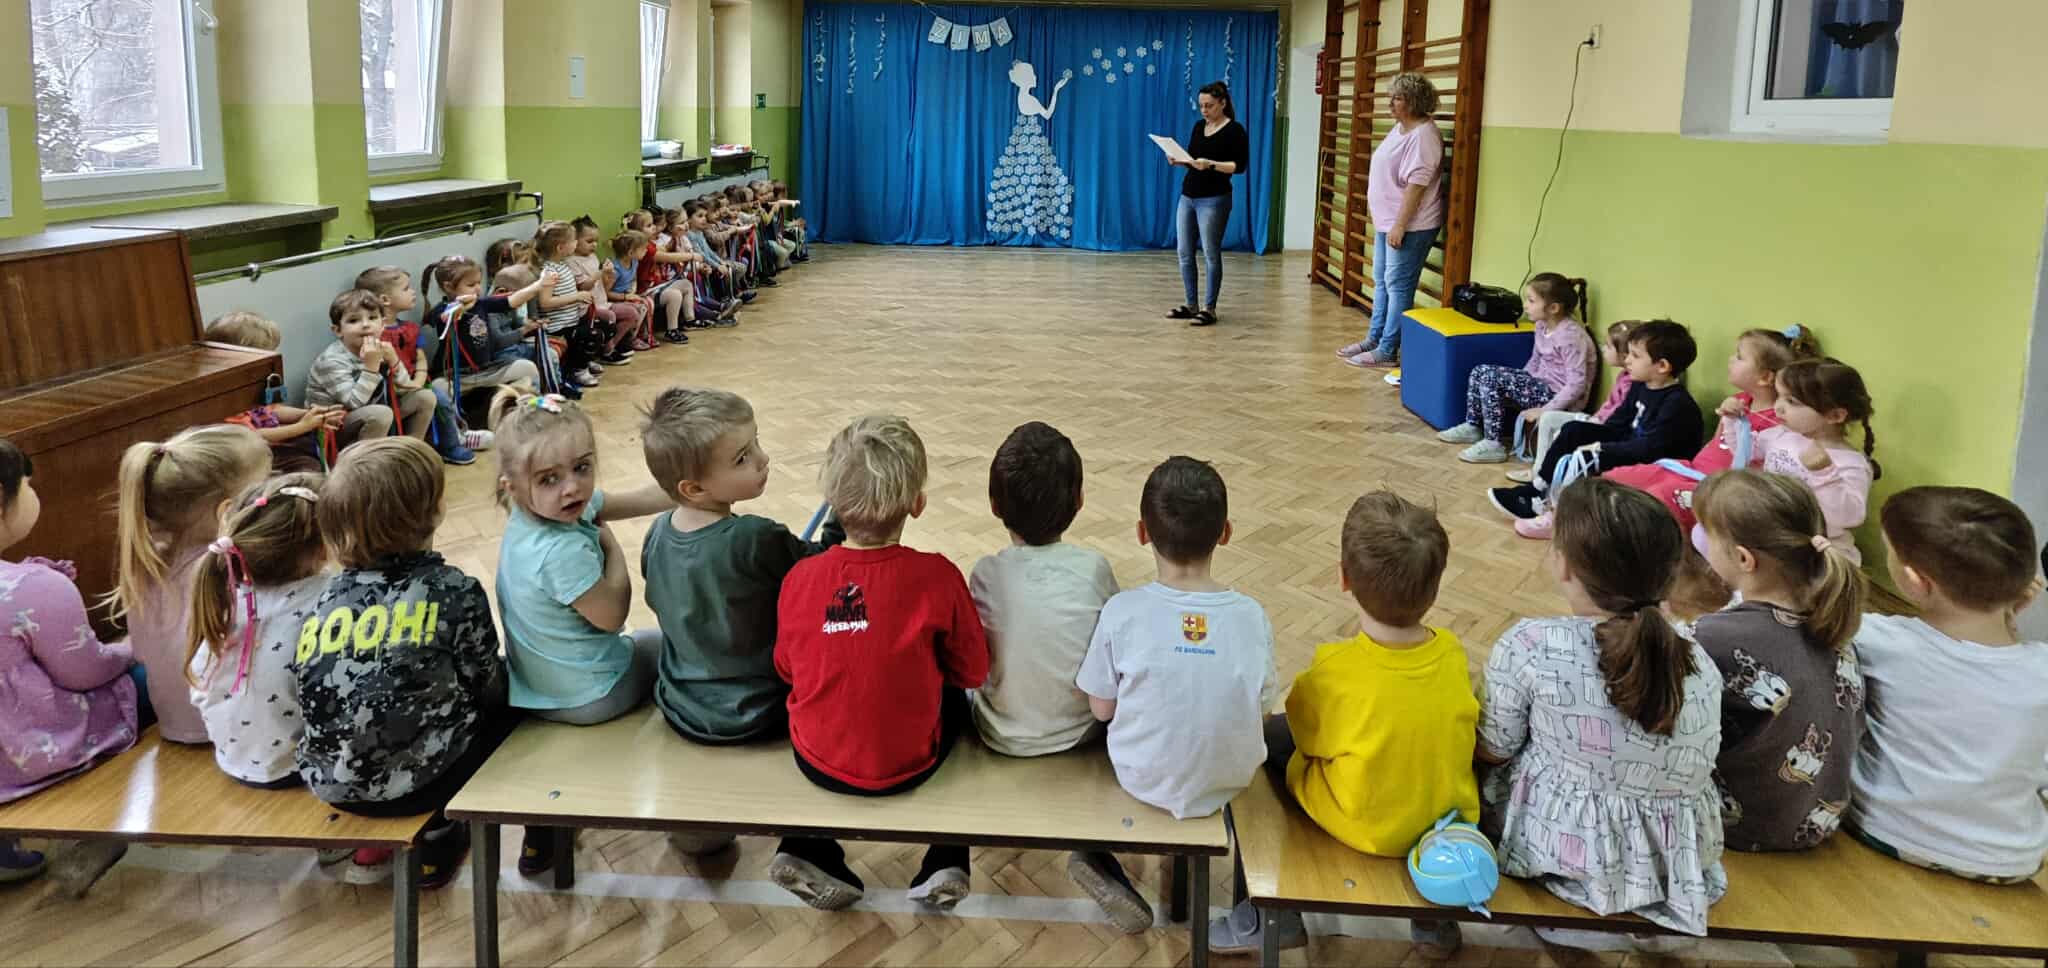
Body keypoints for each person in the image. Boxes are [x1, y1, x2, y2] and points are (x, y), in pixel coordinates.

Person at [1209, 490, 1475, 958]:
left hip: (1361, 825)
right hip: (1441, 828)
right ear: (1434, 590)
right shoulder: (1453, 653)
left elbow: (1305, 736)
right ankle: (1434, 916)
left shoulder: (1335, 668)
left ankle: (1271, 912)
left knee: (1258, 747)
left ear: (1343, 578)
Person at [1478, 478, 1725, 938]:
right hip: (1674, 863)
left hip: (1562, 850)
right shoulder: (1698, 658)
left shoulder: (1531, 643)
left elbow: (1494, 747)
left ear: (1564, 564)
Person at [768, 416, 989, 912]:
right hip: (911, 765)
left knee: (823, 696)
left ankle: (805, 845)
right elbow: (973, 672)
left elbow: (786, 669)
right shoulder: (938, 575)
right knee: (960, 703)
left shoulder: (800, 577)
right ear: (917, 503)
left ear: (832, 501)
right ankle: (947, 854)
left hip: (816, 761)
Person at [295, 437, 515, 889]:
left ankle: (385, 838)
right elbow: (487, 684)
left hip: (331, 784)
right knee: (517, 705)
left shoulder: (323, 595)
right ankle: (445, 832)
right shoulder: (453, 590)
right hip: (427, 785)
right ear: (434, 512)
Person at [638, 388, 839, 856]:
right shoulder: (754, 538)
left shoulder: (657, 533)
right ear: (694, 488)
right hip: (757, 711)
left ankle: (696, 829)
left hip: (682, 708)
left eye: (757, 443)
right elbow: (825, 565)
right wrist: (840, 509)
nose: (763, 460)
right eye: (743, 458)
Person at [966, 422, 1143, 932]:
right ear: (1080, 501)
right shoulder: (1092, 569)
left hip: (999, 734)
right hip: (1078, 733)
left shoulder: (985, 573)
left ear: (994, 506)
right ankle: (1095, 850)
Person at [488, 392, 672, 874]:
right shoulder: (559, 551)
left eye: (583, 467)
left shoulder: (536, 513)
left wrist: (685, 488)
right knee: (666, 645)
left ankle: (545, 823)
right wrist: (613, 548)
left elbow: (633, 500)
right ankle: (682, 766)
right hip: (590, 696)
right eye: (550, 479)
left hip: (537, 689)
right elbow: (613, 615)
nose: (573, 488)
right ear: (512, 486)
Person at [1848, 486, 2048, 884]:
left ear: (1916, 581)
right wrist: (2007, 621)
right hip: (2008, 859)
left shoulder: (1878, 639)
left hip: (1887, 829)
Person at [1078, 457, 1278, 816]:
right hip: (1230, 783)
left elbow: (1101, 710)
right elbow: (1261, 713)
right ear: (1226, 533)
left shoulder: (1121, 611)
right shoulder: (1252, 616)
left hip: (1138, 780)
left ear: (1142, 533)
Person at [1691, 470, 1865, 851]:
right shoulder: (1835, 623)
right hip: (1815, 822)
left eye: (1708, 534)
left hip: (1736, 824)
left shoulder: (1715, 635)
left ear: (1743, 558)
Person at [0, 438, 140, 887]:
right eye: (27, 484)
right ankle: (102, 820)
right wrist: (131, 647)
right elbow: (85, 672)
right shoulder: (32, 587)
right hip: (20, 754)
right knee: (141, 679)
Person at [110, 423, 272, 746]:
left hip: (173, 724)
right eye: (264, 491)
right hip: (229, 734)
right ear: (228, 511)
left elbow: (141, 650)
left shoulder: (146, 563)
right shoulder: (227, 568)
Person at [1487, 319, 1704, 533]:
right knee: (1574, 431)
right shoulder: (1640, 386)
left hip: (1658, 462)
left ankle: (1560, 515)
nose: (1627, 360)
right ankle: (1537, 490)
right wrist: (1593, 438)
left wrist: (1601, 448)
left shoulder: (1677, 404)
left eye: (1635, 356)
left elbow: (1650, 449)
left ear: (1662, 366)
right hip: (1634, 446)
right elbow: (1617, 425)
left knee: (1587, 457)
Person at [185, 473, 329, 789]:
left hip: (232, 760)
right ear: (324, 547)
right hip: (296, 767)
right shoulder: (327, 596)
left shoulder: (224, 598)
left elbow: (199, 689)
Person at [1601, 325, 1818, 532]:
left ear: (1765, 377)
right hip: (1691, 470)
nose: (1730, 359)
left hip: (1719, 490)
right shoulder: (1739, 400)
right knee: (1613, 478)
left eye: (1739, 356)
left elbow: (1758, 474)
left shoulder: (1779, 422)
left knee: (1661, 497)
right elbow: (1714, 444)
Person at [1336, 71, 1444, 367]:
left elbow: (1416, 186)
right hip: (1389, 223)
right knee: (1382, 282)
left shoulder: (1424, 137)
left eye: (1397, 98)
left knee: (1398, 286)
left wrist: (1399, 225)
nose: (1390, 103)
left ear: (1412, 101)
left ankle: (1387, 350)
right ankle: (1375, 338)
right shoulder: (1401, 128)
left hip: (1411, 226)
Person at [1732, 358, 1880, 564]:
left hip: (1819, 553)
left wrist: (1825, 473)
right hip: (1777, 536)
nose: (1778, 407)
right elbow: (1743, 453)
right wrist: (1733, 420)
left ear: (1835, 415)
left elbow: (1849, 517)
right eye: (1779, 396)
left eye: (1792, 402)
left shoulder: (1851, 463)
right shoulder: (1782, 434)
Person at [1435, 274, 1595, 463]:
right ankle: (1473, 426)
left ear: (1553, 308)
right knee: (1481, 371)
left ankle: (1493, 444)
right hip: (1541, 385)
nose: (1525, 305)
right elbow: (1535, 360)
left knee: (1491, 377)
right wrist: (1518, 382)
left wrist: (1545, 410)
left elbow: (1577, 384)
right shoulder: (1542, 326)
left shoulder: (1571, 337)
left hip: (1558, 397)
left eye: (1531, 301)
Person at [357, 265, 484, 466]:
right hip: (390, 392)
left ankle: (453, 441)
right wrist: (410, 386)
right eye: (406, 288)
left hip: (416, 383)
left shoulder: (411, 328)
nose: (413, 292)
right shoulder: (372, 335)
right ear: (385, 300)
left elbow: (420, 357)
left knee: (442, 400)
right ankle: (449, 443)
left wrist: (418, 381)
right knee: (437, 400)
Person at [203, 312, 345, 474]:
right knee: (308, 467)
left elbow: (273, 410)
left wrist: (311, 415)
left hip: (273, 444)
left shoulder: (257, 382)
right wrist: (302, 426)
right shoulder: (225, 398)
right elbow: (252, 436)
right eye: (264, 355)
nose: (270, 360)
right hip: (250, 455)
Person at [1509, 319, 1641, 485]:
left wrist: (1598, 420)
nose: (1603, 349)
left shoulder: (1632, 383)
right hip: (1598, 420)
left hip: (1607, 427)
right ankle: (1538, 472)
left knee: (1563, 432)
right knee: (1548, 418)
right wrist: (1596, 417)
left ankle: (1549, 478)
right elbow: (1609, 404)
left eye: (1608, 346)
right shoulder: (1623, 376)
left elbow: (1620, 412)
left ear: (1624, 355)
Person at [305, 289, 439, 445]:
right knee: (381, 413)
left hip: (371, 411)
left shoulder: (379, 348)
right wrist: (371, 367)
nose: (366, 325)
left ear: (382, 324)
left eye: (373, 318)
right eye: (353, 320)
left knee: (425, 397)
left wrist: (394, 360)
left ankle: (411, 449)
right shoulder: (331, 361)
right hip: (333, 426)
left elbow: (405, 387)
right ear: (338, 330)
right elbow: (354, 403)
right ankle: (369, 458)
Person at [1166, 81, 1251, 327]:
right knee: (1184, 252)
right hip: (1188, 195)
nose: (1204, 110)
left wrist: (1211, 164)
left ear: (1222, 103)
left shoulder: (1235, 130)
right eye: (1201, 105)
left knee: (1211, 253)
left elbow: (1238, 166)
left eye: (1209, 106)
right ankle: (1191, 304)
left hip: (1214, 199)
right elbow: (1193, 160)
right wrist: (1180, 161)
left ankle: (1209, 308)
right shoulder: (1198, 127)